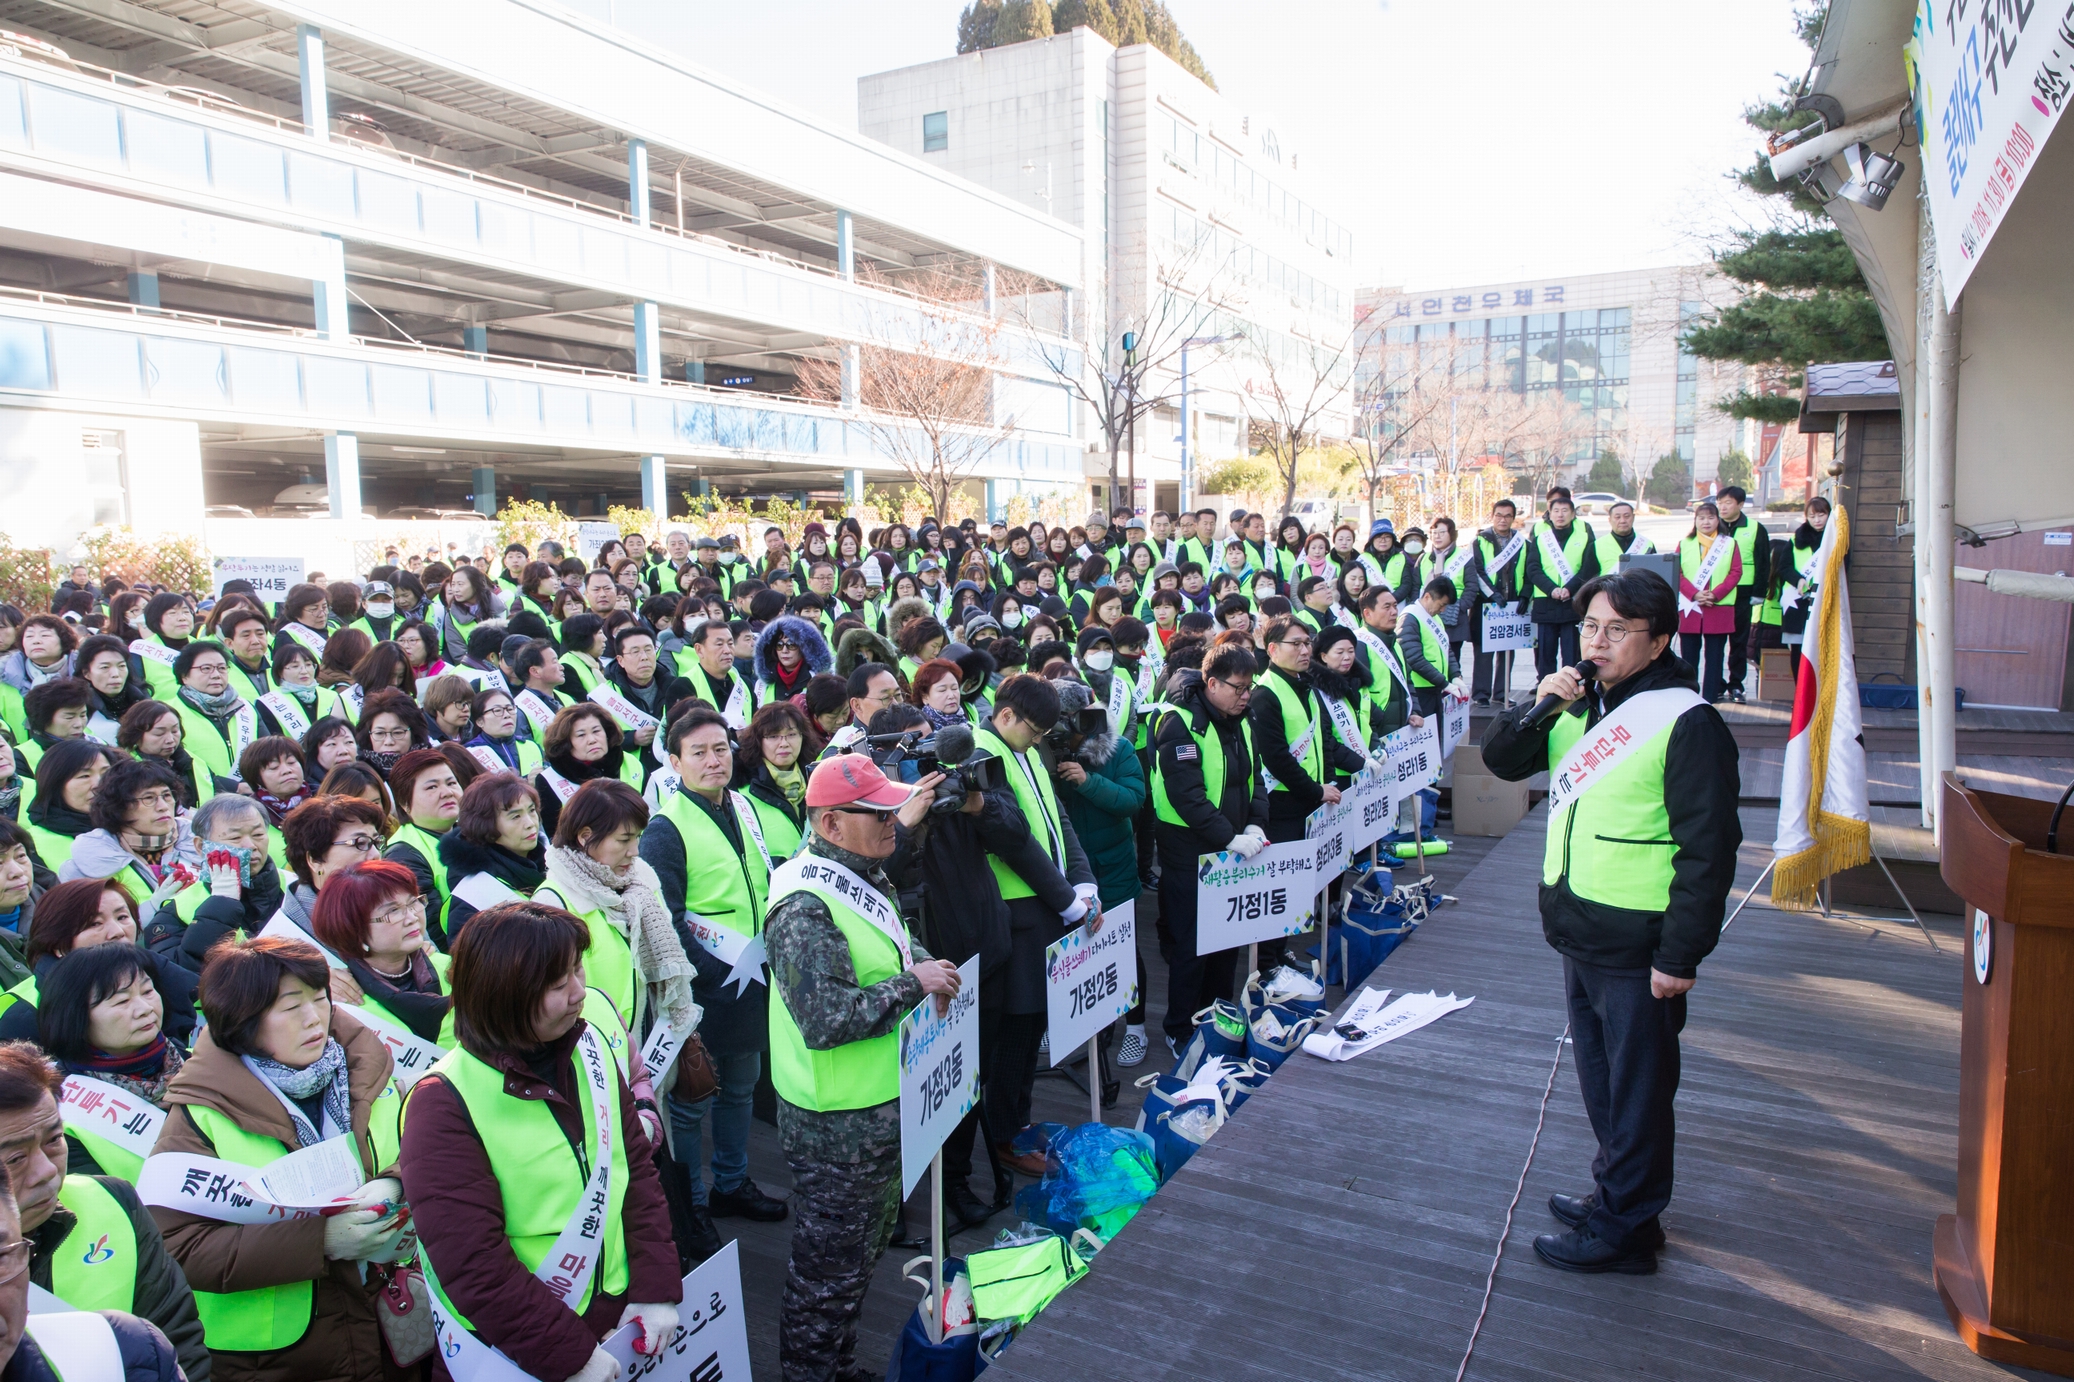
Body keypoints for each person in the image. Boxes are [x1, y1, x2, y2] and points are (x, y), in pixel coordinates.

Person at [1480, 569, 1740, 1274]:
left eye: (1617, 630)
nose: (1597, 641)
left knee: (1638, 1090)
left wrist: (1680, 955)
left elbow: (1710, 848)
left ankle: (1627, 1230)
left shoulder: (1687, 721)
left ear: (1658, 641)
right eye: (1591, 626)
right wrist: (1537, 705)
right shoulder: (1577, 705)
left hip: (1640, 941)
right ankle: (1617, 1197)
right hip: (1580, 925)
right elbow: (1502, 763)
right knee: (1602, 1079)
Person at [398, 902, 681, 1382]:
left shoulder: (589, 1046)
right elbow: (472, 1262)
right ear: (503, 994)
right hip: (513, 1351)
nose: (579, 992)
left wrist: (655, 1287)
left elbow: (636, 1172)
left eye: (577, 970)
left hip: (615, 1318)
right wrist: (568, 1355)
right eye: (556, 984)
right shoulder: (442, 1102)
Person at [764, 754, 957, 1382]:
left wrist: (924, 964)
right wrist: (914, 983)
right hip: (835, 1125)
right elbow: (826, 1020)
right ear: (830, 823)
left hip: (875, 1109)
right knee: (826, 1275)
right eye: (877, 814)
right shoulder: (804, 905)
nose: (892, 822)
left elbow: (896, 944)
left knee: (854, 1263)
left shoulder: (862, 871)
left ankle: (838, 1365)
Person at [150, 934, 412, 1382]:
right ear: (243, 1021)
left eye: (320, 998)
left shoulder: (368, 1069)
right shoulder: (200, 1113)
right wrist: (320, 1241)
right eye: (291, 1007)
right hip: (279, 1358)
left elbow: (426, 1147)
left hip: (389, 1317)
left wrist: (395, 1181)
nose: (315, 1018)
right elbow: (176, 1246)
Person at [640, 709, 788, 1231]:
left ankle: (731, 1183)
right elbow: (666, 919)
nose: (713, 761)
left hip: (752, 977)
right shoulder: (665, 828)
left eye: (720, 748)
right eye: (698, 752)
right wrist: (706, 975)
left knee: (742, 1089)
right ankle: (693, 1204)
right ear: (674, 762)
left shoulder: (742, 805)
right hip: (704, 988)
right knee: (691, 1102)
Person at [0, 1040, 209, 1379]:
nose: (47, 1171)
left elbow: (179, 1345)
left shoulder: (114, 1202)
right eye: (15, 1158)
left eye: (53, 1140)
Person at [971, 675, 1098, 1170]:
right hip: (1015, 914)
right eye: (1036, 731)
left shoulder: (1022, 748)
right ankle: (1006, 1137)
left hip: (1048, 906)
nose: (1040, 740)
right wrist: (1069, 901)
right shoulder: (983, 754)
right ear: (1006, 715)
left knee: (1032, 1024)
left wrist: (1083, 884)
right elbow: (1016, 843)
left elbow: (1058, 820)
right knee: (1016, 1031)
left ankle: (1017, 1124)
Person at [1151, 646, 1267, 1054]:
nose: (1245, 696)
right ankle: (1180, 1027)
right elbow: (1187, 796)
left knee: (1228, 938)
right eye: (1238, 687)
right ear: (1212, 683)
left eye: (1249, 687)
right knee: (1193, 944)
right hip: (1189, 851)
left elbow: (1255, 779)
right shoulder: (1179, 722)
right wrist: (1229, 837)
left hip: (1233, 847)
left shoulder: (1241, 719)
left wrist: (1255, 822)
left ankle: (1219, 1013)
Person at [1049, 680, 1149, 1064]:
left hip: (1113, 868)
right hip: (1067, 874)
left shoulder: (1118, 748)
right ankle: (1085, 1025)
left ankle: (1136, 1027)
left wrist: (1088, 781)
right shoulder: (1039, 752)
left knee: (1123, 949)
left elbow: (1133, 800)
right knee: (1072, 953)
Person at [38, 942, 184, 1181]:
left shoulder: (194, 1062)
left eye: (147, 991)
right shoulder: (58, 1109)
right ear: (75, 1016)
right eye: (121, 1001)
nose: (145, 1008)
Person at [309, 860, 450, 1045]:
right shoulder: (343, 1002)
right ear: (354, 929)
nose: (412, 917)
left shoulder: (451, 968)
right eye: (393, 911)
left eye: (413, 902)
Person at [144, 793, 285, 977]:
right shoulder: (175, 913)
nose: (250, 845)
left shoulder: (294, 886)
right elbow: (179, 978)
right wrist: (221, 905)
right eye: (235, 837)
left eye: (258, 835)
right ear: (201, 846)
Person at [61, 759, 198, 909]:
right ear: (119, 807)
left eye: (166, 795)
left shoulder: (203, 840)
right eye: (148, 798)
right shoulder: (88, 863)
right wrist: (153, 907)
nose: (163, 806)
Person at [267, 795, 387, 956]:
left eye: (376, 842)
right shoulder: (283, 942)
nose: (375, 854)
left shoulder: (391, 901)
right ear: (315, 859)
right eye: (360, 843)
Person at [437, 773, 546, 941]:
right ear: (486, 826)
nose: (530, 823)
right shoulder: (473, 895)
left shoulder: (549, 861)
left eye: (532, 811)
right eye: (515, 816)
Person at [379, 750, 462, 941]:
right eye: (432, 787)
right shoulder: (402, 855)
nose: (447, 792)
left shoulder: (471, 832)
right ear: (405, 803)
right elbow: (432, 931)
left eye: (451, 783)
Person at [533, 704, 643, 839]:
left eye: (596, 731)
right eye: (581, 735)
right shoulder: (549, 779)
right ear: (566, 743)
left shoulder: (630, 762)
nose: (592, 740)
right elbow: (553, 837)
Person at [1524, 489, 1599, 681]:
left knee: (1572, 655)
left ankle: (1572, 691)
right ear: (1549, 514)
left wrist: (1569, 589)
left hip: (1573, 603)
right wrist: (1552, 589)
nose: (1560, 515)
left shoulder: (1584, 537)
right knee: (1545, 656)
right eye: (1556, 510)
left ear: (1573, 514)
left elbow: (1589, 569)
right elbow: (1533, 569)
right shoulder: (1541, 539)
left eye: (1565, 510)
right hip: (1546, 603)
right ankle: (1546, 691)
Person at [1676, 501, 1743, 703]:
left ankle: (1710, 698)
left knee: (1715, 657)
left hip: (1718, 607)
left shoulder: (1729, 543)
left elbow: (1735, 572)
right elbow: (1677, 572)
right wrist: (1694, 594)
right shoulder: (1685, 543)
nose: (1706, 522)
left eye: (1711, 517)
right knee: (1688, 657)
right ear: (1695, 520)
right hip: (1691, 607)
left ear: (1718, 520)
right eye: (1701, 518)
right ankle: (1688, 696)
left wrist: (1716, 594)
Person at [20, 741, 115, 879]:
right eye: (84, 776)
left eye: (106, 773)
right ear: (54, 784)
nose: (99, 785)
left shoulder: (134, 826)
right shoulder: (31, 845)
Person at [1469, 498, 1531, 705]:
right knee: (1483, 652)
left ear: (1513, 518)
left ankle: (1502, 693)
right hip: (1486, 605)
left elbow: (1530, 571)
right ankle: (1481, 694)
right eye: (1499, 515)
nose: (1502, 520)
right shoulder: (1479, 541)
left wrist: (1525, 595)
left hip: (1512, 605)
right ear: (1492, 516)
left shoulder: (1522, 543)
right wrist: (1492, 594)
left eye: (1507, 516)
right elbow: (1476, 571)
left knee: (1507, 650)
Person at [1713, 485, 1770, 704]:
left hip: (1743, 592)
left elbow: (1763, 562)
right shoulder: (1712, 526)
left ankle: (1736, 684)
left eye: (1728, 503)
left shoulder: (1755, 528)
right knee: (1715, 642)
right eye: (1720, 503)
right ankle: (1716, 684)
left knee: (1739, 641)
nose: (1723, 507)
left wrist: (1759, 592)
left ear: (1741, 504)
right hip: (1717, 593)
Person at [736, 701, 811, 859]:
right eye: (773, 736)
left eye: (791, 735)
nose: (784, 743)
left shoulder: (815, 779)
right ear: (758, 741)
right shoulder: (743, 791)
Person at [1400, 577, 1465, 717]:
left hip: (1435, 687)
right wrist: (1444, 683)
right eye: (1441, 605)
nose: (1443, 610)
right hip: (1419, 690)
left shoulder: (1435, 618)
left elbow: (1446, 649)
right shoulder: (1410, 618)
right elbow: (1413, 658)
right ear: (1427, 597)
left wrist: (1455, 675)